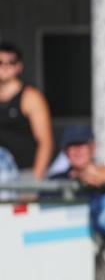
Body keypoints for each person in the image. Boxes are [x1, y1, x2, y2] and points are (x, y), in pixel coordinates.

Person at [0, 44, 53, 179]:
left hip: (24, 174)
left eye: (11, 62)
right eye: (0, 62)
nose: (5, 67)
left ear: (19, 67)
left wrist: (33, 181)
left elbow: (45, 142)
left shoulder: (31, 97)